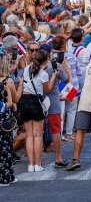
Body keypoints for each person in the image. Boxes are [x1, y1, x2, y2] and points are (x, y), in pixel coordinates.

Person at [19, 50, 55, 172]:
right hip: (36, 101)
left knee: (29, 135)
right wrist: (54, 76)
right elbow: (47, 90)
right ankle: (37, 164)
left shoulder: (26, 69)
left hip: (24, 100)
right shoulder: (44, 74)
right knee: (38, 134)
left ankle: (30, 164)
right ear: (45, 61)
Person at [0, 54, 18, 186]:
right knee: (5, 146)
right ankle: (6, 177)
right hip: (4, 119)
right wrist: (21, 85)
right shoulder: (8, 81)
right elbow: (14, 100)